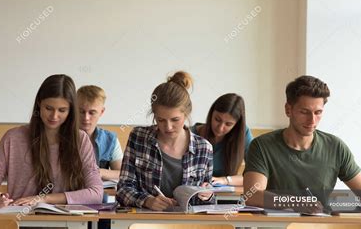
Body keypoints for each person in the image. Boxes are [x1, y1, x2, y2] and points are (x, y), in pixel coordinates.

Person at [243, 75, 361, 214]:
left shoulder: (335, 147)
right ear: (288, 110)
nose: (312, 120)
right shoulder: (262, 146)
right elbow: (252, 195)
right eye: (304, 112)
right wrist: (296, 203)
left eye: (318, 112)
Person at [0, 74, 103, 207]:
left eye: (62, 110)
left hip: (68, 223)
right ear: (39, 104)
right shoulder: (13, 138)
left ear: (71, 111)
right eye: (48, 108)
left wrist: (43, 198)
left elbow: (96, 194)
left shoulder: (80, 139)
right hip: (20, 220)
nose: (54, 116)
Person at [116, 71, 214, 211]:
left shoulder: (204, 148)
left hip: (187, 224)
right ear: (154, 115)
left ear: (186, 114)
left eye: (175, 120)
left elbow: (209, 203)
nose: (168, 127)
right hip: (145, 222)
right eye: (161, 120)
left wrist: (207, 196)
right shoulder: (138, 138)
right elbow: (123, 189)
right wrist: (147, 201)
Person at [191, 93, 252, 186]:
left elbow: (254, 177)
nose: (220, 128)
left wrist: (225, 180)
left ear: (236, 125)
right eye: (217, 119)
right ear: (211, 114)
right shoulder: (191, 134)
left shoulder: (243, 134)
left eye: (228, 124)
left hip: (224, 195)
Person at [77, 85, 123, 181]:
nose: (86, 118)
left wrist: (100, 172)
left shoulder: (110, 139)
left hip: (99, 194)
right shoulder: (62, 137)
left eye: (92, 112)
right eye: (81, 111)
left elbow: (122, 173)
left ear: (101, 112)